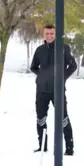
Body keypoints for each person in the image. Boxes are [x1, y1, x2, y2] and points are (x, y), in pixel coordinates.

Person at [30, 24, 77, 155]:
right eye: (47, 34)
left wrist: (62, 78)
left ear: (55, 34)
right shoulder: (40, 50)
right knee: (41, 118)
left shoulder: (63, 48)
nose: (49, 36)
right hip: (41, 90)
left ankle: (69, 148)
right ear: (43, 35)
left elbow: (73, 66)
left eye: (52, 33)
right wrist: (43, 76)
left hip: (58, 90)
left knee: (63, 118)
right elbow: (33, 67)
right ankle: (42, 146)